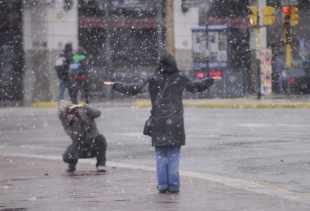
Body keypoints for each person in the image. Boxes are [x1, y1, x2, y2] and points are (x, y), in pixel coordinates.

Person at [104, 53, 221, 193]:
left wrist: (115, 85)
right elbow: (196, 87)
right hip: (176, 121)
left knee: (160, 154)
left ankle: (162, 184)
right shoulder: (180, 78)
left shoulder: (153, 79)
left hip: (159, 121)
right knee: (174, 153)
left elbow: (134, 89)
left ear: (160, 65)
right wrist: (210, 80)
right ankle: (174, 185)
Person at [58, 100, 107, 172]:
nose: (70, 115)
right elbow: (77, 136)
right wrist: (76, 122)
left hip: (93, 144)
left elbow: (98, 113)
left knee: (101, 138)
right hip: (80, 146)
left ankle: (101, 164)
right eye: (67, 113)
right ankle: (72, 164)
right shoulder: (66, 121)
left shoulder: (83, 112)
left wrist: (83, 106)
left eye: (71, 112)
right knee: (67, 156)